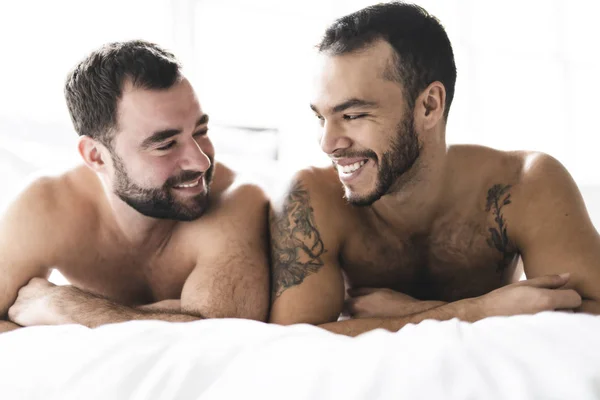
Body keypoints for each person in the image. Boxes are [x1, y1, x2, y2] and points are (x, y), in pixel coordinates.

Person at [269, 2, 600, 336]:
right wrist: (483, 309)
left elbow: (591, 311)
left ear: (429, 106)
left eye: (353, 115)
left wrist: (412, 313)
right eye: (321, 117)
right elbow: (293, 340)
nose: (328, 143)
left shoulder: (524, 183)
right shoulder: (311, 197)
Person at [0, 40, 269, 334]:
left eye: (200, 131)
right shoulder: (44, 209)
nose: (201, 162)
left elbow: (224, 333)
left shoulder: (237, 198)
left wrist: (68, 306)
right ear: (96, 156)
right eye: (165, 145)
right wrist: (177, 313)